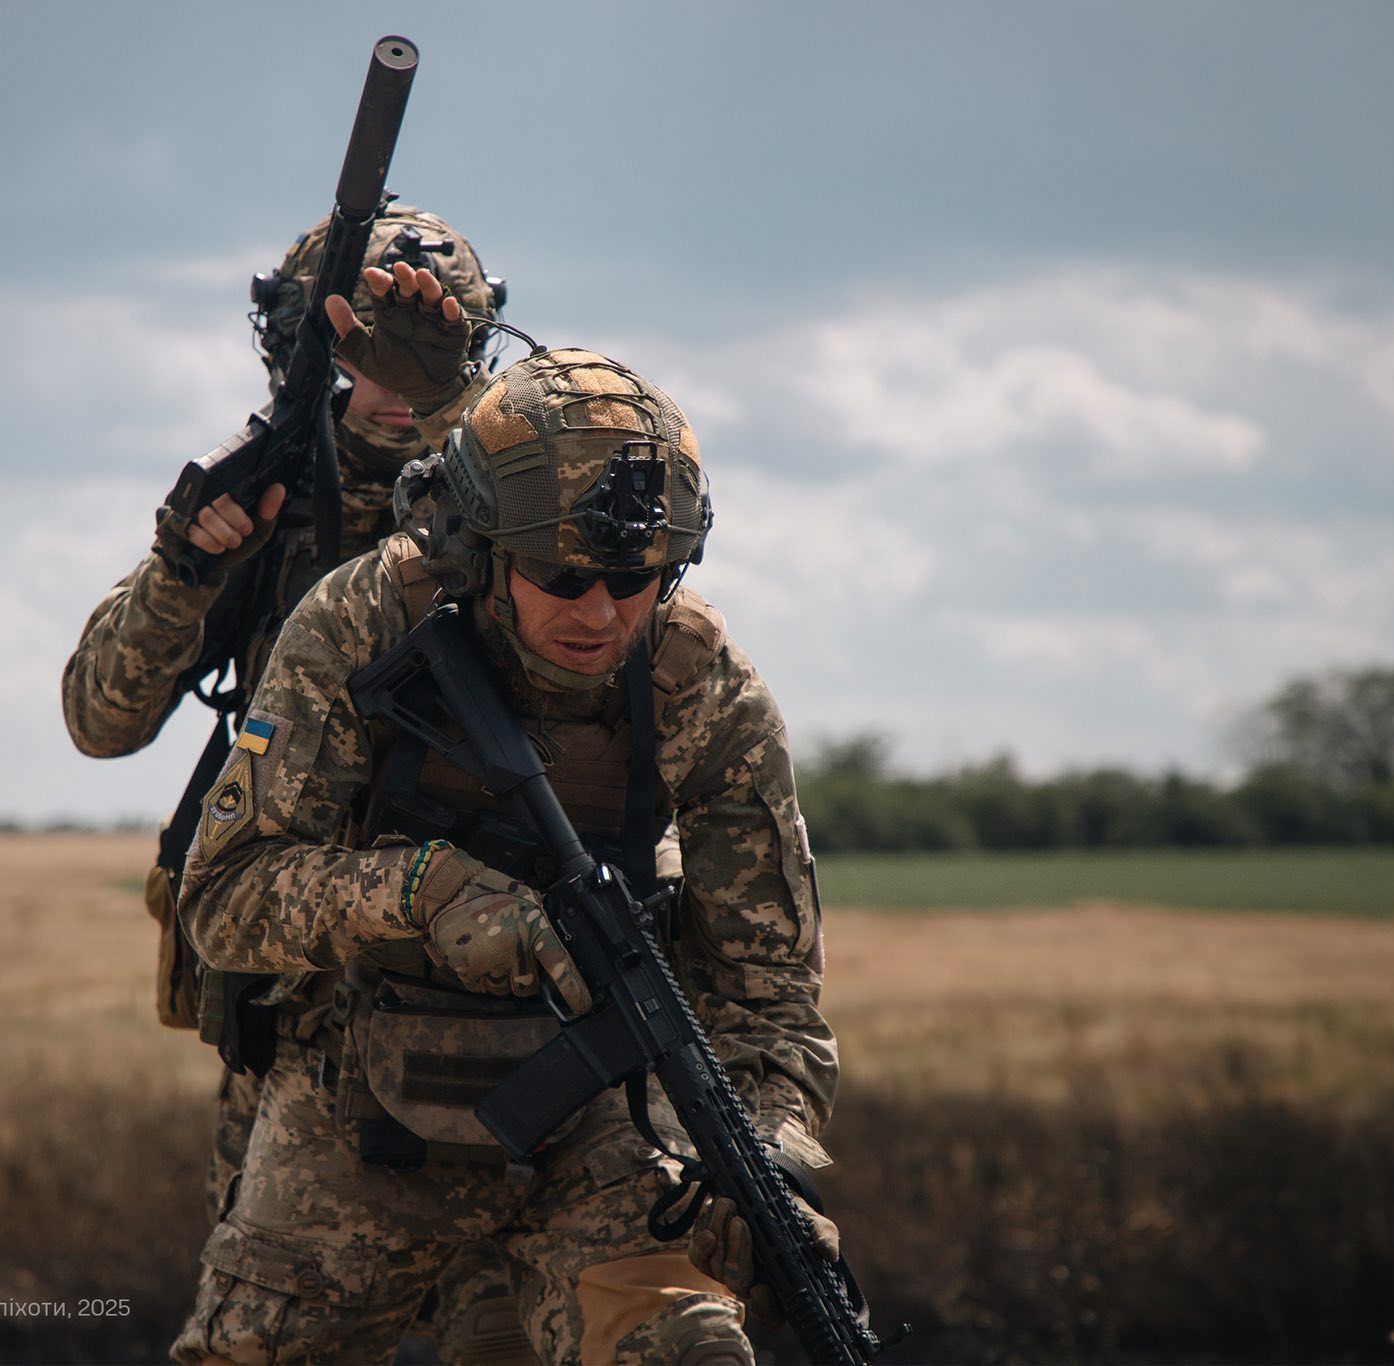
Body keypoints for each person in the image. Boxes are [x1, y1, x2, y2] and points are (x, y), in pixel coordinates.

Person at [168, 273, 840, 1364]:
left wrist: (760, 1156)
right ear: (479, 548)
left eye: (636, 575)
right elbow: (226, 895)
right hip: (358, 1120)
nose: (601, 611)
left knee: (689, 1350)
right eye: (561, 573)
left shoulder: (697, 677)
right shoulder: (363, 621)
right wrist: (426, 898)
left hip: (603, 1131)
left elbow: (769, 996)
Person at [61, 206, 531, 1361]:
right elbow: (100, 717)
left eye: (411, 340)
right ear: (304, 349)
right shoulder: (262, 492)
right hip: (297, 998)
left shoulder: (522, 501)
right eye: (351, 338)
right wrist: (186, 571)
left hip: (499, 978)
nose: (382, 373)